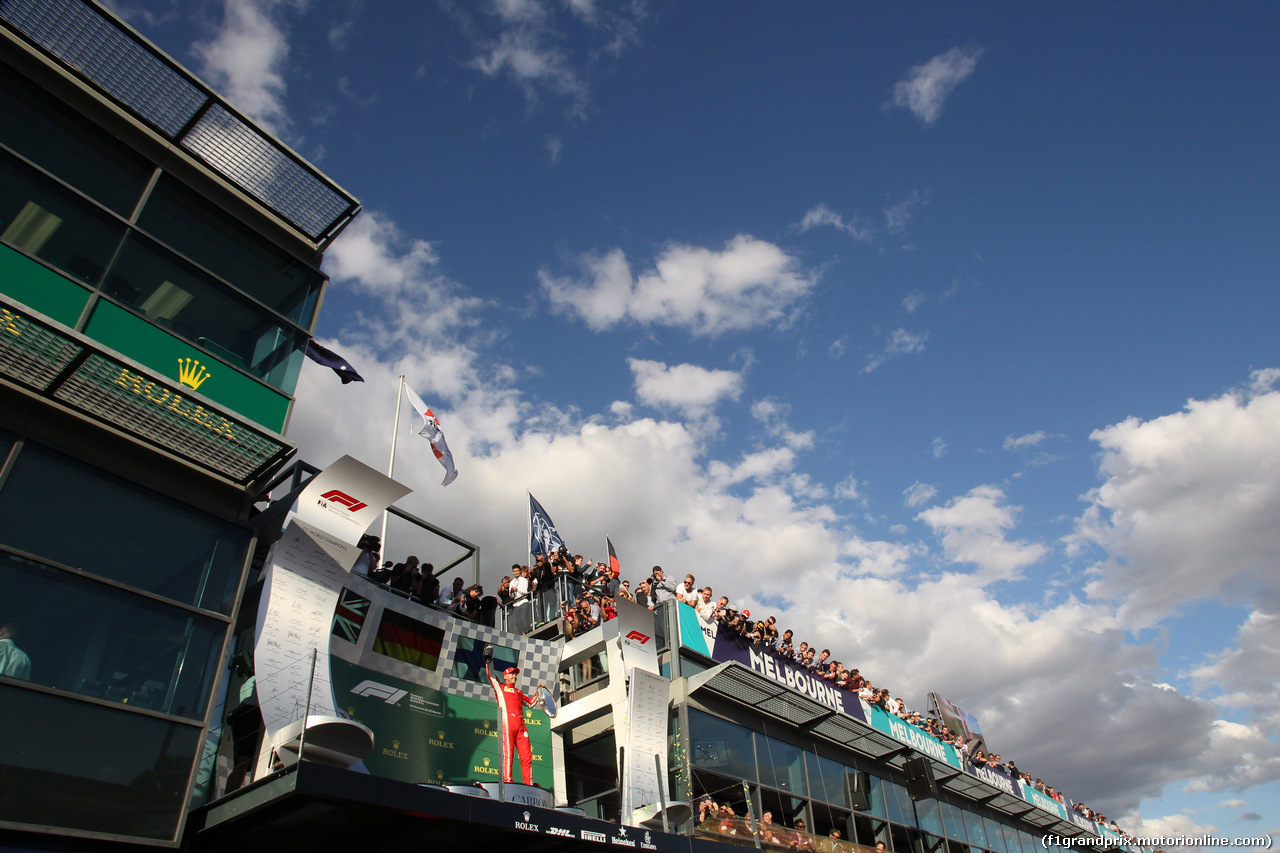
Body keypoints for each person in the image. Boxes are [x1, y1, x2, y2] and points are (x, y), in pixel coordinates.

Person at [483, 645, 544, 784]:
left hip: (521, 728)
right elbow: (491, 675)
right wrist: (489, 660)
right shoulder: (501, 688)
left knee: (527, 757)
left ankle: (529, 784)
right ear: (505, 676)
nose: (515, 676)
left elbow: (530, 703)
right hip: (507, 726)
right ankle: (508, 783)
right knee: (508, 755)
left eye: (516, 674)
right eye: (512, 674)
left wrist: (540, 692)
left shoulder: (518, 692)